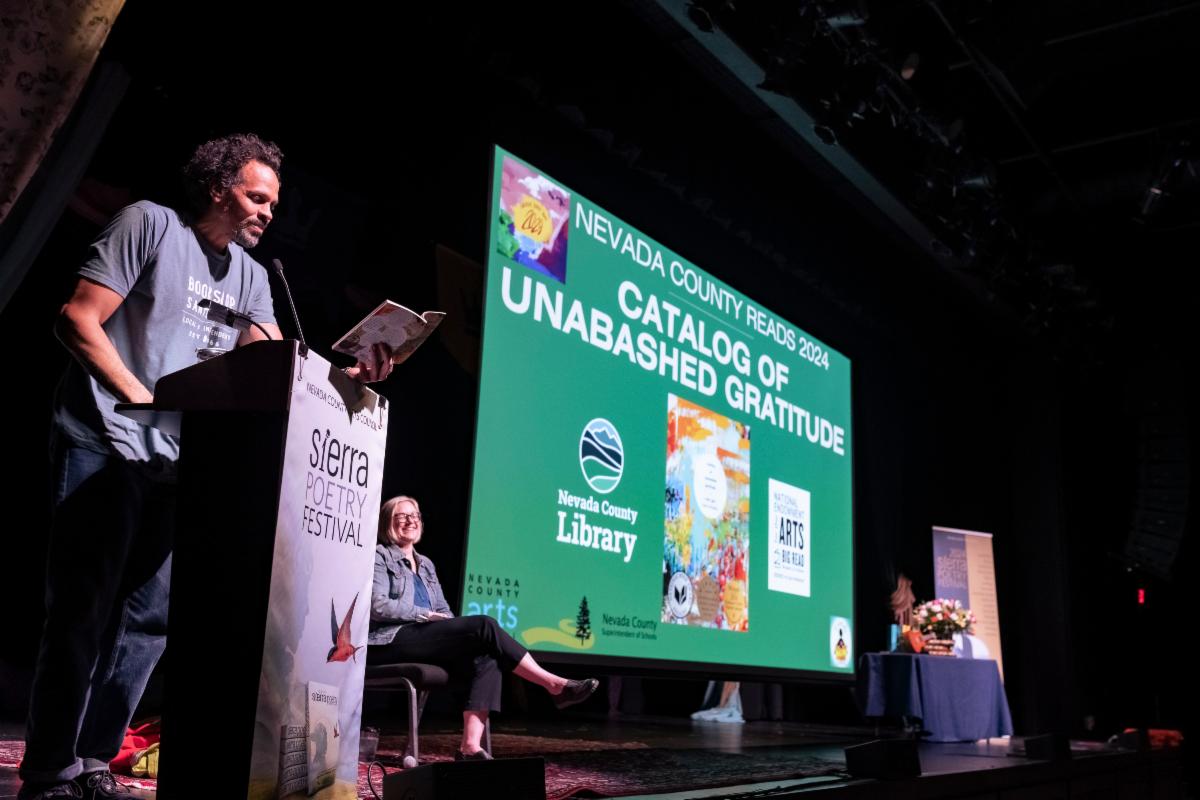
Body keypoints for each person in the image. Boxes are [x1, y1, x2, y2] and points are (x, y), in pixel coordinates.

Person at [20, 133, 391, 800]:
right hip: (105, 440)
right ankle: (49, 768)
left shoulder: (252, 276)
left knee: (147, 623)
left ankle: (95, 759)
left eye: (275, 202)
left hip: (174, 463)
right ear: (218, 188)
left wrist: (352, 374)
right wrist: (136, 393)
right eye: (257, 196)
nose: (268, 211)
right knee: (82, 609)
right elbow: (77, 319)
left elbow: (282, 365)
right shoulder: (150, 224)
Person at [370, 496, 599, 760]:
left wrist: (442, 621)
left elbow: (444, 610)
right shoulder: (381, 556)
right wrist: (424, 615)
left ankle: (470, 747)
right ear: (389, 521)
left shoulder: (427, 565)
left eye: (415, 516)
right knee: (485, 625)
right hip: (392, 639)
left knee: (488, 656)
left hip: (425, 637)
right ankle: (553, 684)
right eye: (402, 516)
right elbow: (378, 606)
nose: (410, 521)